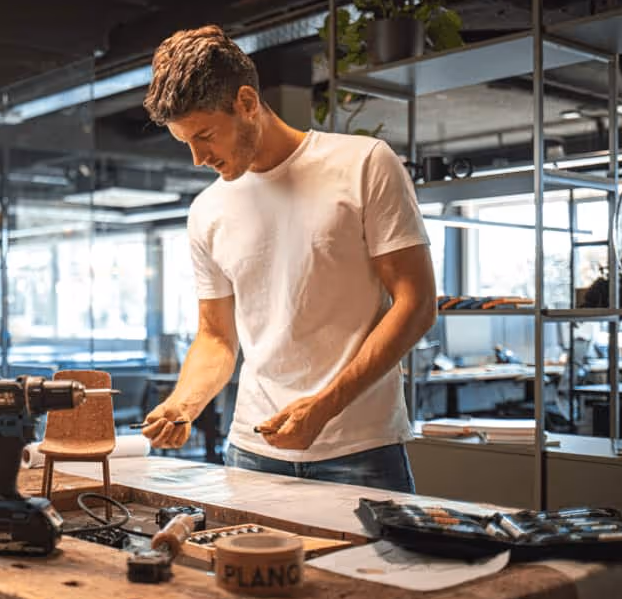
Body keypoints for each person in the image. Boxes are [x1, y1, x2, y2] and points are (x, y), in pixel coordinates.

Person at [139, 25, 437, 493]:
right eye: (187, 144)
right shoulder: (207, 211)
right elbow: (217, 336)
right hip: (251, 452)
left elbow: (416, 303)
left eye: (206, 136)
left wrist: (324, 405)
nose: (198, 158)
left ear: (246, 102)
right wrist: (184, 402)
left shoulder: (364, 164)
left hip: (359, 447)